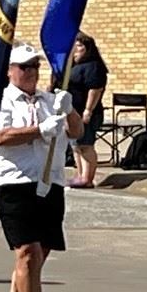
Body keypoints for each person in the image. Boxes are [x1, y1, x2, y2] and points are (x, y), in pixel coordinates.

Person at [0, 43, 80, 292]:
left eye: (35, 67)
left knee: (40, 253)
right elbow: (1, 137)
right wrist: (40, 129)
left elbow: (77, 132)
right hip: (14, 182)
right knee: (27, 251)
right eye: (24, 67)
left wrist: (69, 109)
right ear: (10, 70)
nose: (30, 72)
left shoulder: (50, 100)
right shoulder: (0, 100)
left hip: (49, 180)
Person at [63, 34, 109, 189]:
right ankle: (80, 175)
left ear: (88, 48)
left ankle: (87, 178)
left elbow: (95, 89)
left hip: (86, 111)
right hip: (72, 111)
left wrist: (88, 110)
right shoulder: (74, 65)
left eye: (80, 46)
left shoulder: (93, 66)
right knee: (75, 146)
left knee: (86, 145)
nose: (76, 49)